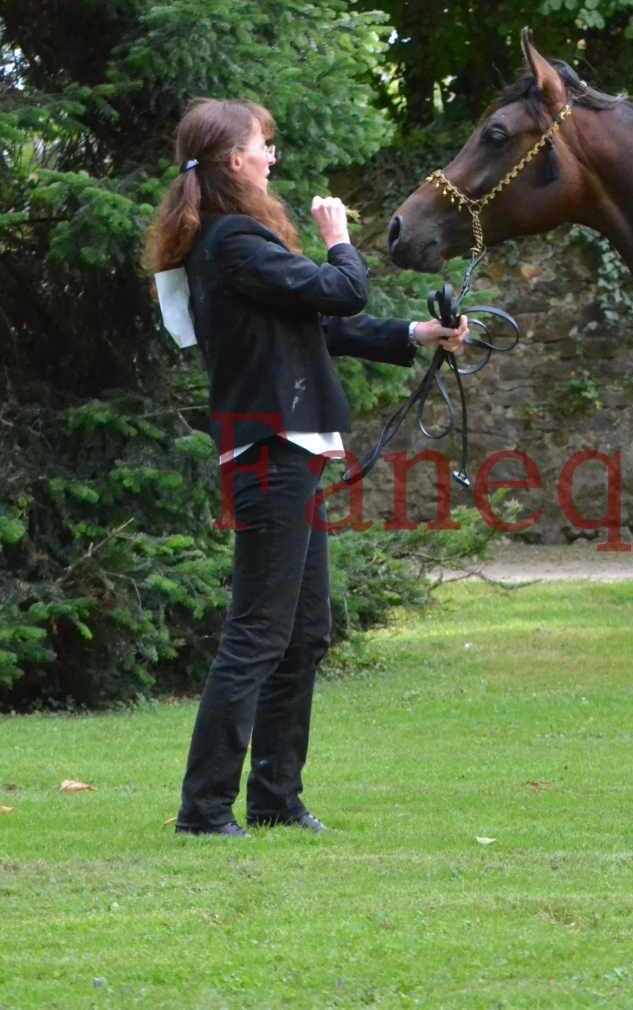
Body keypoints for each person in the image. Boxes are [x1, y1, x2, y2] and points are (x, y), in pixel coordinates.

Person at [144, 98, 467, 837]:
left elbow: (324, 322)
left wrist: (417, 333)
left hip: (289, 450)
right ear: (234, 160)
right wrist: (339, 237)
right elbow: (341, 288)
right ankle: (203, 810)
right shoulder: (232, 243)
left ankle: (276, 799)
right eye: (264, 146)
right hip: (271, 452)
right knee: (258, 632)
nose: (272, 158)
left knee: (304, 632)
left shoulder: (237, 243)